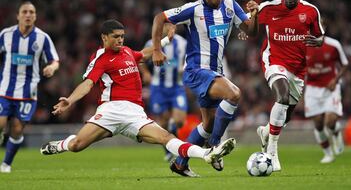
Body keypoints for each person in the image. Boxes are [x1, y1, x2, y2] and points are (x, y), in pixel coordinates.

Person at [40, 20, 236, 177]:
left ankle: (206, 154)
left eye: (122, 37)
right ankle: (60, 145)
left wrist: (164, 42)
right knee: (76, 146)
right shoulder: (101, 58)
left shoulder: (126, 52)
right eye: (115, 37)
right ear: (104, 38)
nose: (120, 40)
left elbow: (144, 54)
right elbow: (88, 84)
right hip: (111, 111)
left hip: (135, 113)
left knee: (167, 137)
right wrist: (70, 100)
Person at [152, 0, 258, 177]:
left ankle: (180, 164)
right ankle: (216, 147)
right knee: (234, 94)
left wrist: (254, 15)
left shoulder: (230, 5)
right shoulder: (193, 10)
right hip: (196, 70)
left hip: (214, 71)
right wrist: (157, 49)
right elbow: (159, 18)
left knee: (207, 126)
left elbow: (250, 31)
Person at [255, 0, 325, 171]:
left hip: (298, 68)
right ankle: (271, 152)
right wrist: (246, 28)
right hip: (274, 61)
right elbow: (249, 24)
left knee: (287, 115)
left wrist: (319, 41)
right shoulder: (268, 8)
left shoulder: (311, 11)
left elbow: (320, 36)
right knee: (282, 97)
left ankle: (267, 131)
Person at [0, 1, 60, 173]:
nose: (28, 15)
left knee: (17, 129)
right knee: (1, 123)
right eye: (24, 12)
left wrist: (51, 67)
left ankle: (6, 164)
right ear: (18, 15)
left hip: (28, 91)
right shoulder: (6, 35)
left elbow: (55, 60)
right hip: (4, 89)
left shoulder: (42, 38)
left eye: (31, 12)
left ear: (35, 16)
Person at [139, 24, 188, 162]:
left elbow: (189, 59)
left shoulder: (183, 43)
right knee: (164, 121)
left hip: (177, 87)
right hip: (158, 87)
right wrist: (146, 73)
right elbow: (140, 60)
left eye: (172, 25)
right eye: (166, 25)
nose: (169, 28)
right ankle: (168, 150)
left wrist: (185, 69)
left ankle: (173, 127)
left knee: (179, 121)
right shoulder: (152, 43)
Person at [304, 28, 348, 163]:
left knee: (330, 121)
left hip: (330, 87)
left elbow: (345, 64)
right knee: (318, 124)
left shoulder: (334, 45)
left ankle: (336, 132)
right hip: (312, 89)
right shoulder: (303, 45)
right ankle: (328, 154)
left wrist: (335, 80)